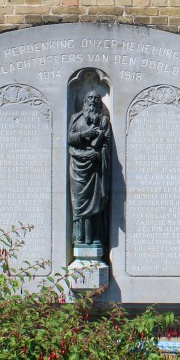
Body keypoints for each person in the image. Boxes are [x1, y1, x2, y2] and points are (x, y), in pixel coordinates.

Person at [68, 90, 110, 246]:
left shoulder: (103, 120)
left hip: (95, 169)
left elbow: (106, 145)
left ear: (99, 103)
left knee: (96, 203)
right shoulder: (76, 118)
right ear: (84, 101)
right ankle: (79, 238)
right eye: (89, 98)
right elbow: (70, 139)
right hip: (78, 167)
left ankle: (95, 238)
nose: (92, 101)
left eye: (96, 99)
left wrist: (98, 155)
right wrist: (85, 133)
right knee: (78, 202)